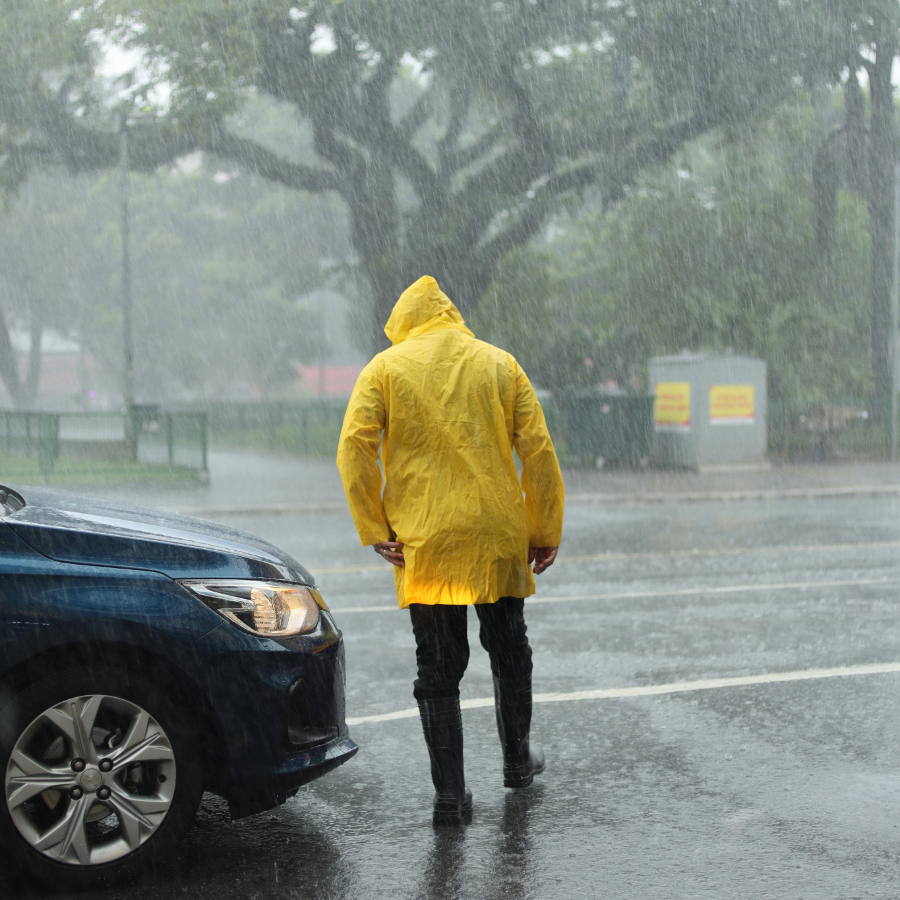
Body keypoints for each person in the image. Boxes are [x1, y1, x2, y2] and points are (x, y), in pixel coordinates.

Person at [337, 275, 564, 826]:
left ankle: (451, 795)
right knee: (509, 649)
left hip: (427, 542)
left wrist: (375, 526)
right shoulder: (499, 364)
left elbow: (353, 449)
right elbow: (537, 450)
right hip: (496, 537)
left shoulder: (385, 370)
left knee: (438, 668)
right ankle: (516, 759)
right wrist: (545, 527)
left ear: (404, 323)